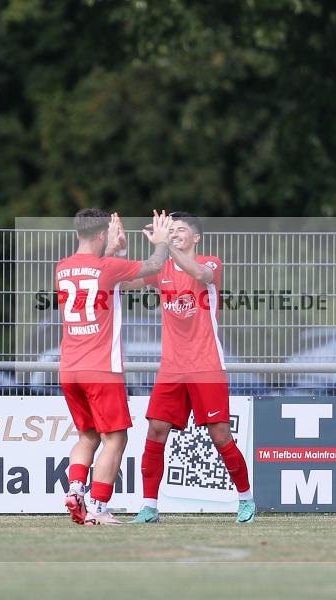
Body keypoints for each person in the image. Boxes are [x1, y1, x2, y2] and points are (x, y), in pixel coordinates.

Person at [128, 211, 255, 524]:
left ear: (196, 237)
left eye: (180, 230)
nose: (175, 235)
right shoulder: (162, 269)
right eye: (171, 230)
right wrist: (116, 251)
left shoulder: (210, 262)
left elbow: (201, 275)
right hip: (171, 369)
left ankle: (246, 500)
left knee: (220, 435)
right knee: (155, 431)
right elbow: (127, 281)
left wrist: (164, 245)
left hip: (206, 366)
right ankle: (149, 508)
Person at [57, 208, 171, 525]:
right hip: (100, 369)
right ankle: (98, 507)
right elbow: (152, 266)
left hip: (69, 368)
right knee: (115, 440)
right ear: (100, 235)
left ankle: (75, 489)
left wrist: (113, 250)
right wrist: (160, 241)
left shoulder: (62, 268)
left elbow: (98, 273)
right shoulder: (107, 267)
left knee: (87, 436)